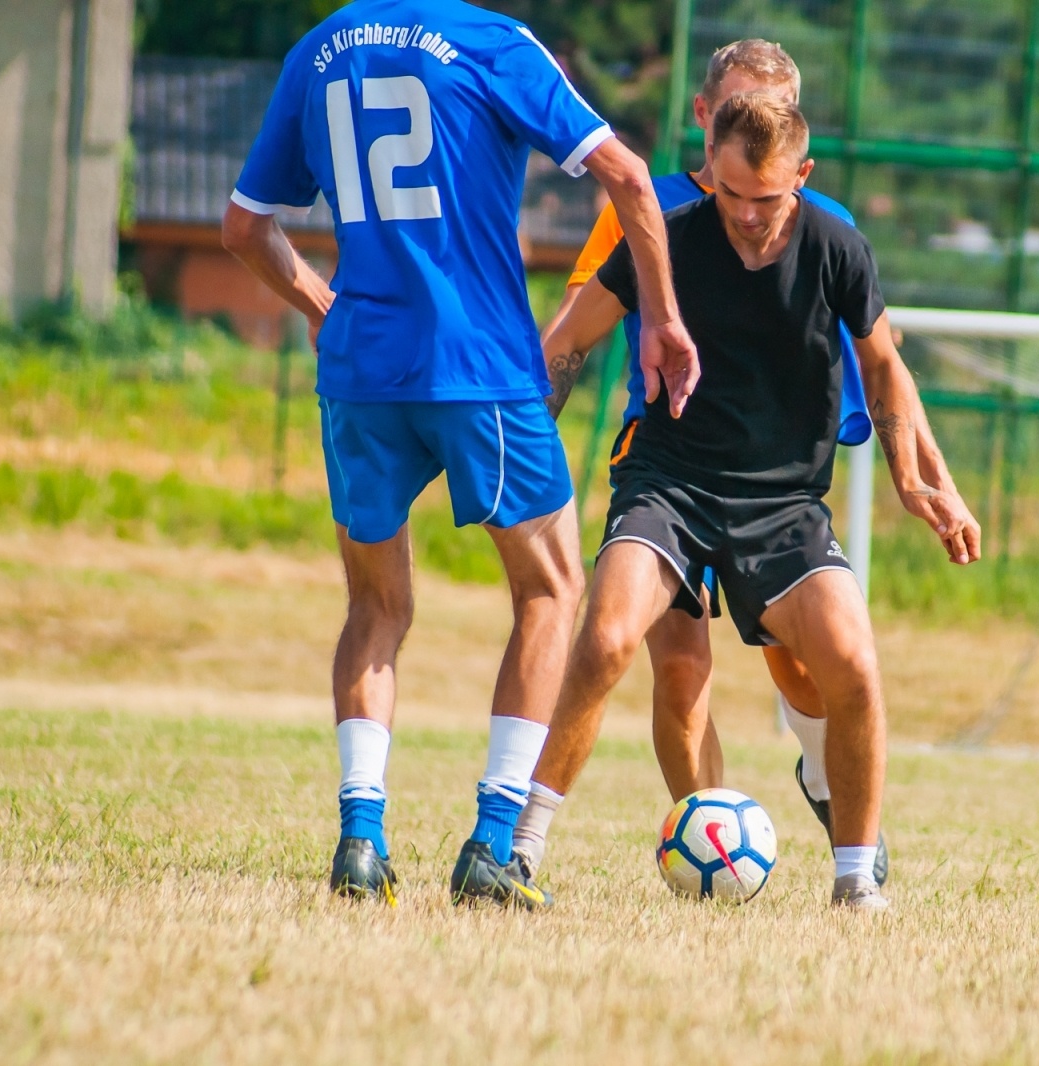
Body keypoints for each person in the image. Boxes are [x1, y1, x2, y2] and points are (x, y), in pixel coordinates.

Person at [220, 0, 697, 907]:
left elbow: (244, 229)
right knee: (551, 589)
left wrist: (325, 310)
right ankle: (490, 843)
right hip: (480, 368)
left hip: (361, 374)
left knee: (376, 604)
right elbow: (632, 179)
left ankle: (361, 840)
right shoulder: (491, 42)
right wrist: (665, 322)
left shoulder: (319, 50)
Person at [515, 93, 982, 911]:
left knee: (855, 669)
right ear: (711, 175)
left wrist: (916, 478)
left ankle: (855, 884)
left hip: (784, 505)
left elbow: (883, 369)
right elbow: (568, 341)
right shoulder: (666, 238)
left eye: (765, 199)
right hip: (668, 484)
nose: (746, 216)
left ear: (801, 177)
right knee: (608, 639)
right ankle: (516, 852)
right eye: (730, 196)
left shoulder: (837, 245)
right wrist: (518, 454)